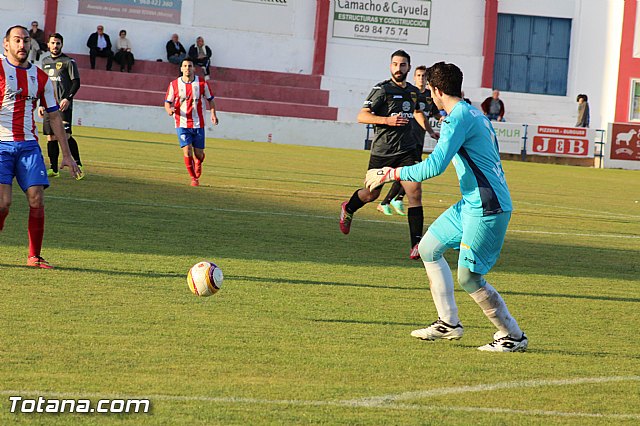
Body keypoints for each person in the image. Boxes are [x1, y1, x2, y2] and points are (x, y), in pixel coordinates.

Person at [364, 62, 527, 352]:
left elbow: (435, 166)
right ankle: (448, 323)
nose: (429, 95)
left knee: (469, 277)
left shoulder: (458, 119)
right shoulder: (469, 112)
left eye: (429, 90)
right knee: (428, 248)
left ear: (437, 90)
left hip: (487, 207)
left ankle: (513, 336)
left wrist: (390, 173)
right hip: (471, 204)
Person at [0, 25, 81, 269]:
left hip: (28, 147)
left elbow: (55, 116)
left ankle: (34, 256)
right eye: (17, 40)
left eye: (25, 40)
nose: (22, 45)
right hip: (1, 144)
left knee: (37, 199)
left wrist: (67, 155)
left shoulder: (40, 76)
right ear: (7, 44)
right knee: (3, 203)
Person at [339, 50, 428, 260]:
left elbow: (417, 112)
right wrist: (387, 120)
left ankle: (416, 245)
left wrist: (430, 130)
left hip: (406, 150)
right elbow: (362, 116)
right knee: (372, 194)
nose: (399, 68)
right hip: (383, 151)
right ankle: (348, 207)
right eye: (395, 64)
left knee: (414, 192)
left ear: (408, 67)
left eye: (403, 65)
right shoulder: (382, 89)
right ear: (390, 66)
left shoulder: (414, 92)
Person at [377, 65, 440, 217]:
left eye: (424, 76)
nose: (421, 79)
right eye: (418, 76)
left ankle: (392, 200)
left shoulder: (429, 96)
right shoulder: (410, 93)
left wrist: (442, 120)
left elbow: (435, 114)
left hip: (419, 139)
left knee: (411, 172)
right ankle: (391, 200)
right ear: (414, 77)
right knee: (411, 171)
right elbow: (416, 113)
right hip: (408, 138)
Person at [164, 58, 219, 187]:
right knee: (187, 150)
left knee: (198, 154)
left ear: (193, 68)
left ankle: (198, 161)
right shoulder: (174, 84)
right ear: (181, 68)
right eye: (185, 66)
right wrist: (169, 110)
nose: (187, 68)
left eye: (190, 66)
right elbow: (167, 102)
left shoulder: (201, 83)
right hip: (181, 122)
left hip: (198, 123)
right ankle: (194, 178)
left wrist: (213, 114)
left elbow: (211, 100)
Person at [39, 32, 83, 180]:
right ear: (48, 45)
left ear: (61, 45)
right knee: (50, 137)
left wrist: (68, 98)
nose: (55, 46)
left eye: (58, 43)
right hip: (48, 104)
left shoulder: (69, 61)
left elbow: (76, 82)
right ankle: (53, 169)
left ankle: (78, 163)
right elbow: (42, 85)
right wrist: (40, 103)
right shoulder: (44, 61)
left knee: (65, 135)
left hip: (63, 105)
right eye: (53, 43)